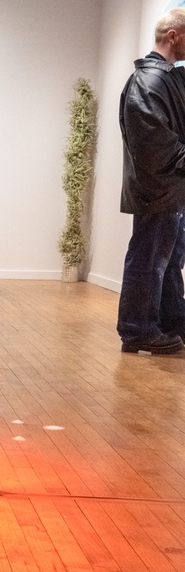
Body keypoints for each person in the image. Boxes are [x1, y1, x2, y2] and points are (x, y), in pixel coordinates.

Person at [116, 9, 185, 355]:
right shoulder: (148, 83)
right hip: (157, 190)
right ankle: (137, 329)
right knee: (149, 260)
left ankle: (172, 323)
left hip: (169, 190)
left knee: (169, 260)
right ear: (173, 36)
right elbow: (155, 148)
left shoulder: (166, 78)